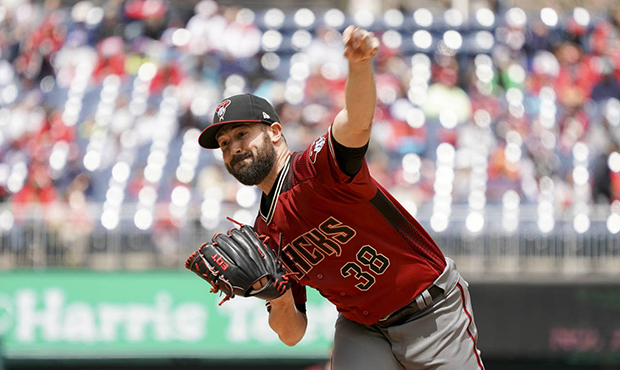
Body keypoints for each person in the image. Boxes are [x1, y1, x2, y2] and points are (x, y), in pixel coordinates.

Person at [198, 25, 484, 370]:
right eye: (225, 144)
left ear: (275, 132)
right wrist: (276, 294)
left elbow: (357, 124)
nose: (234, 148)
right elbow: (291, 334)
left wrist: (360, 66)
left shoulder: (317, 168)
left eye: (242, 134)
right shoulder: (263, 235)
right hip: (362, 327)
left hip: (431, 311)